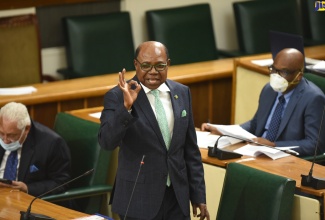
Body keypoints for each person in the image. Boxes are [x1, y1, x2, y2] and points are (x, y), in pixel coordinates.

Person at [98, 41, 209, 220]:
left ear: (168, 64)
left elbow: (190, 150)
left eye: (159, 66)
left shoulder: (182, 92)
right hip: (137, 200)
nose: (153, 72)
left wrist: (198, 195)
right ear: (136, 65)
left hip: (176, 198)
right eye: (146, 66)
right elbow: (106, 142)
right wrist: (126, 108)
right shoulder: (118, 95)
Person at [202, 48, 325, 157]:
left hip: (284, 158)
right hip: (256, 152)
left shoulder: (313, 99)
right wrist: (223, 131)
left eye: (283, 72)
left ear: (298, 76)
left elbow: (314, 144)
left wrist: (274, 145)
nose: (276, 76)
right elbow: (255, 124)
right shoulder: (269, 90)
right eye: (274, 69)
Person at [0, 102, 71, 196]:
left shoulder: (51, 143)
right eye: (1, 133)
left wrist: (27, 188)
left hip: (26, 200)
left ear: (26, 129)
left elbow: (61, 182)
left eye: (11, 135)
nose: (5, 140)